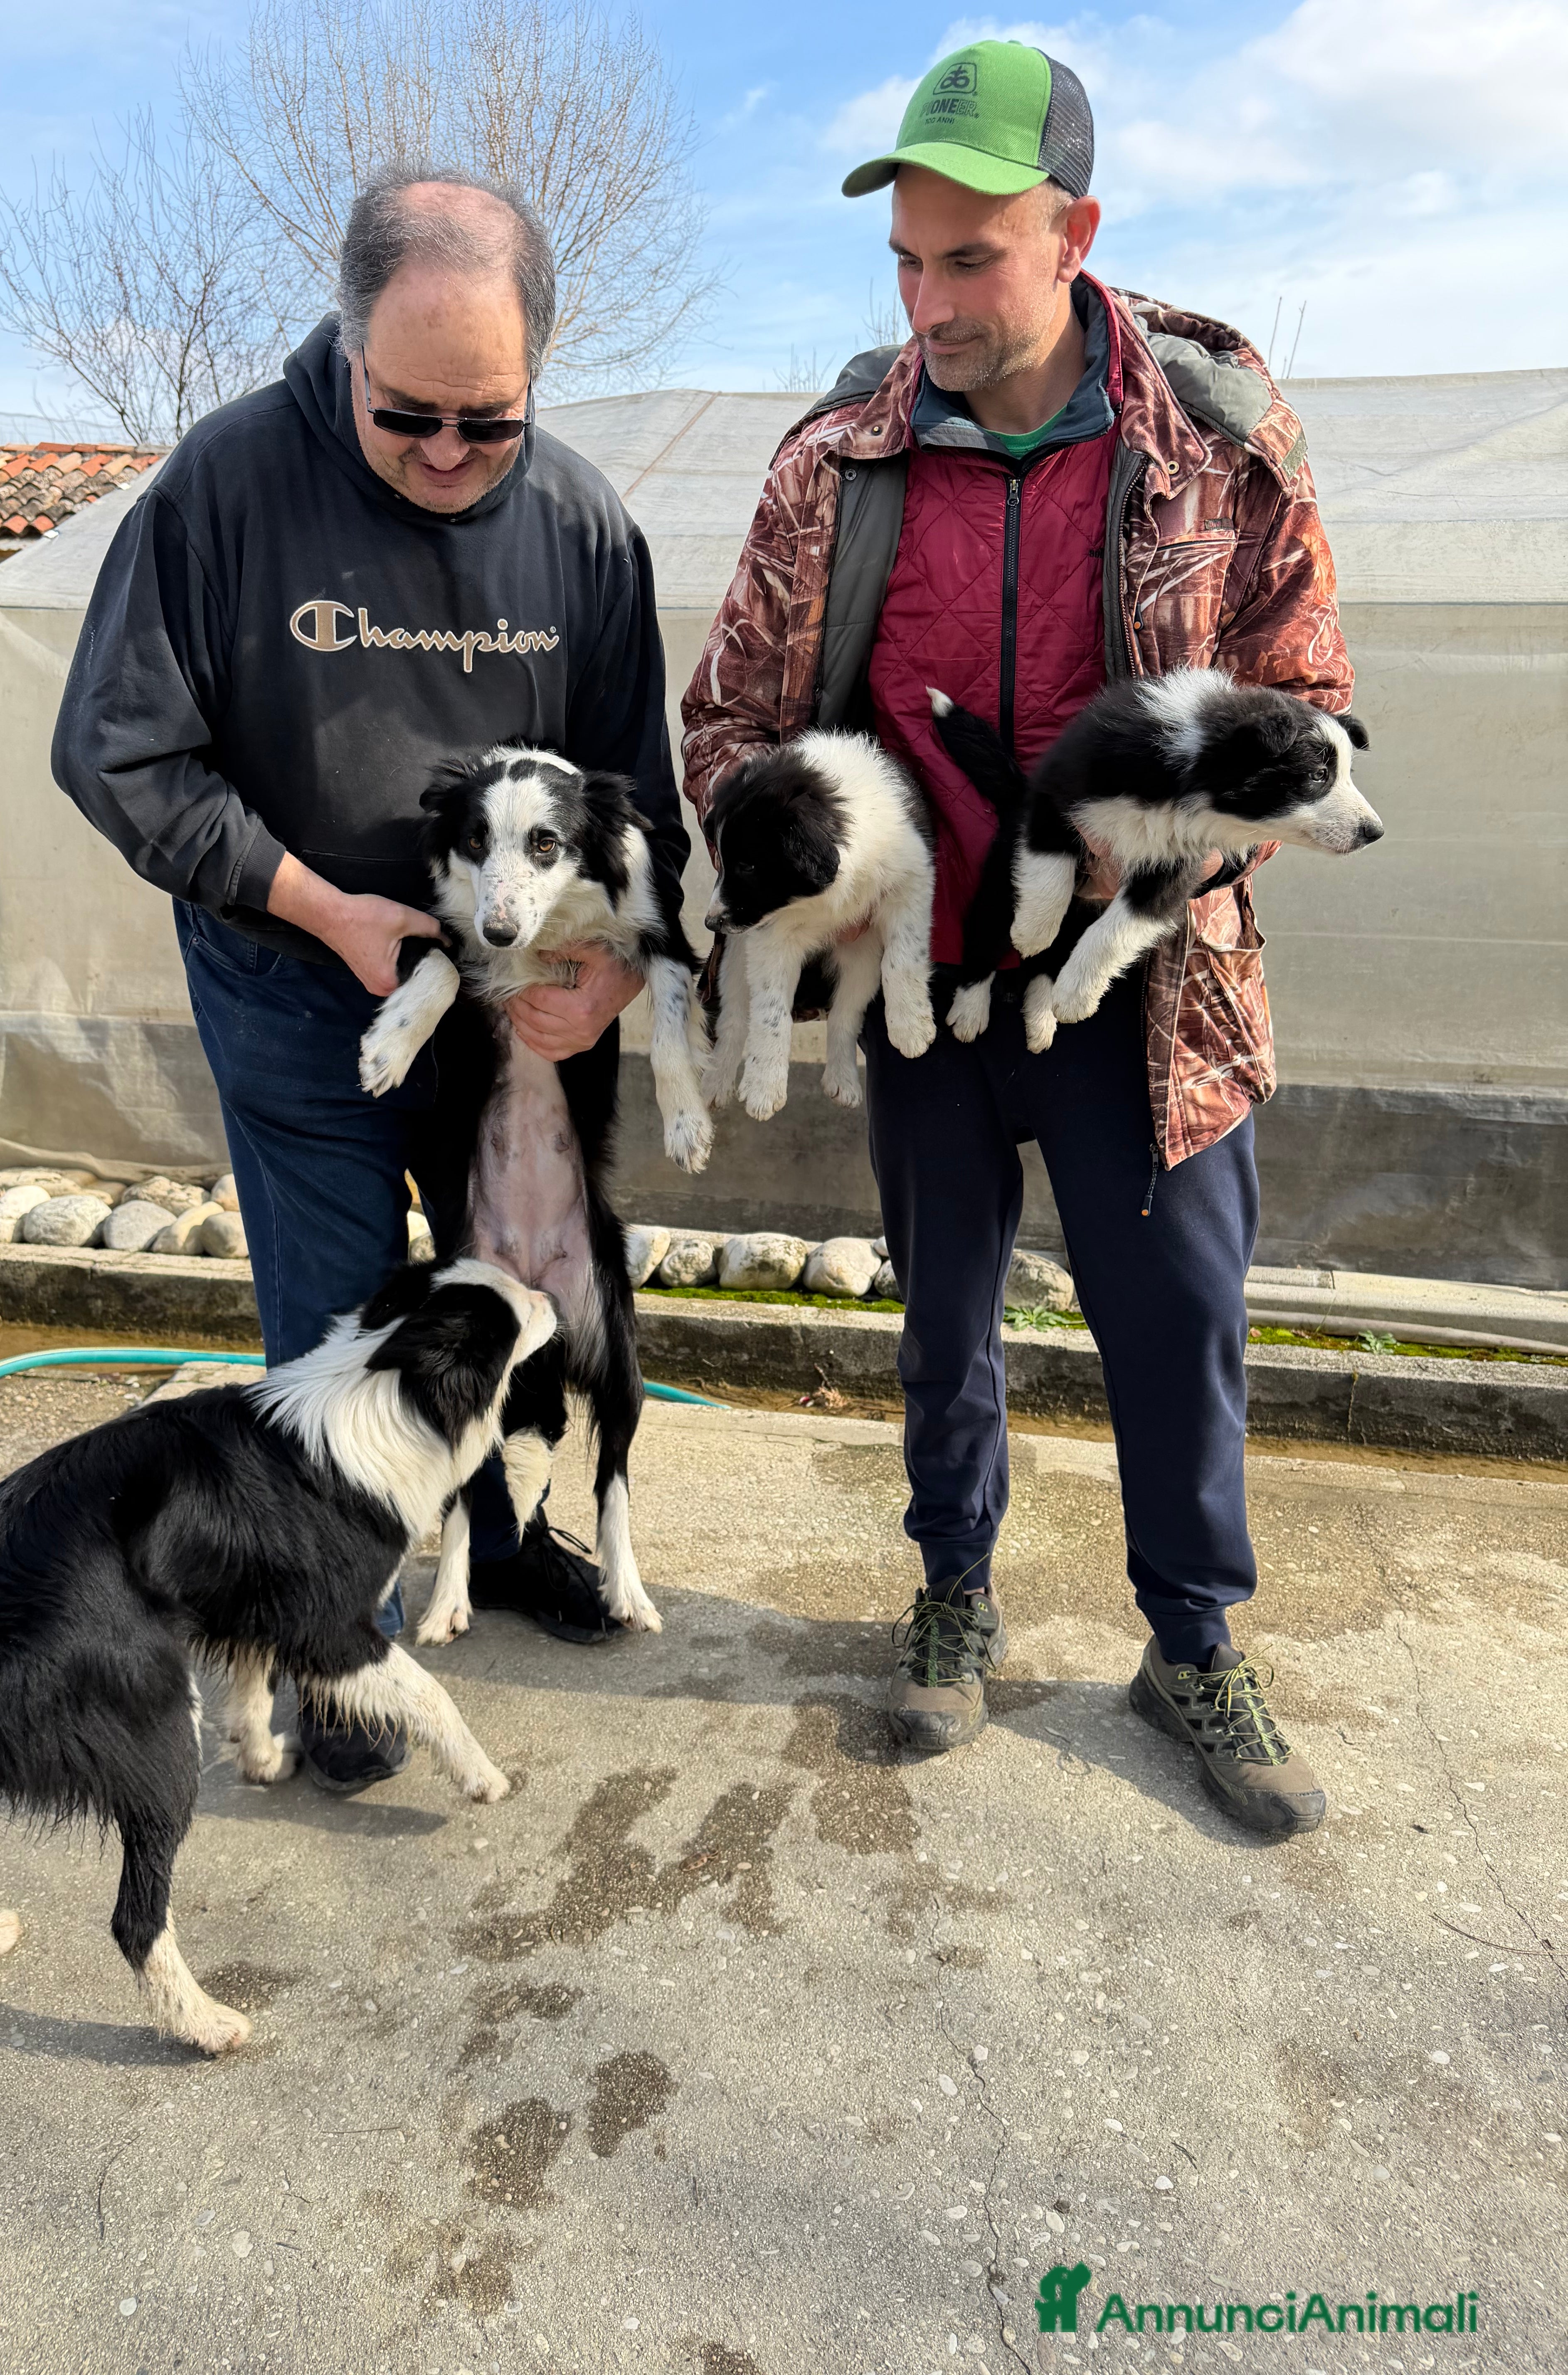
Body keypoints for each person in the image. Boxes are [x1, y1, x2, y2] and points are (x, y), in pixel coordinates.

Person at [681, 41, 1354, 1835]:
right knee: (944, 1318)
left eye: (970, 259)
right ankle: (952, 1593)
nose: (930, 304)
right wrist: (810, 863)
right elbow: (727, 720)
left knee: (1179, 1322)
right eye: (905, 261)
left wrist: (1169, 866)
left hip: (1147, 991)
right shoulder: (835, 464)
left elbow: (1309, 702)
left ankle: (1192, 1638)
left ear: (1079, 233)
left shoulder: (1215, 442)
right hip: (925, 990)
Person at [54, 165, 686, 1792]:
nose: (451, 458)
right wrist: (311, 901)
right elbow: (114, 750)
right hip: (293, 976)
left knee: (516, 1295)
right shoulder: (226, 491)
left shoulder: (584, 529)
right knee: (341, 1329)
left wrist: (606, 981)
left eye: (493, 421)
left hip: (511, 1005)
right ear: (346, 348)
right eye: (412, 417)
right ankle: (329, 1629)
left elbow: (642, 807)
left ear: (540, 369)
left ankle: (502, 1530)